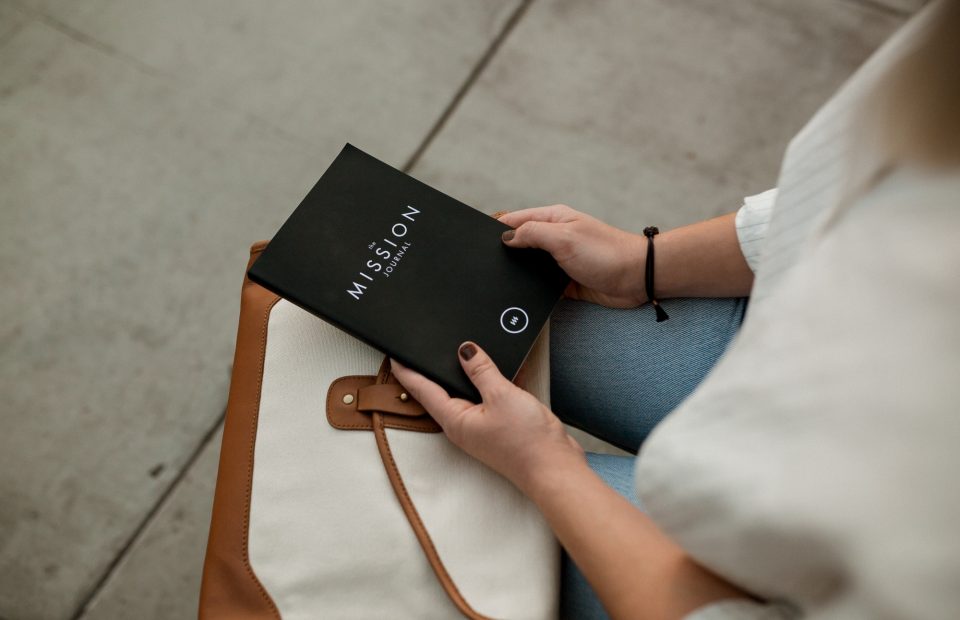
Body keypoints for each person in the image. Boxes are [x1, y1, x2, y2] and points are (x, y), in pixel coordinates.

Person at [391, 1, 960, 617]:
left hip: (769, 582)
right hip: (800, 345)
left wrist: (547, 468)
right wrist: (644, 264)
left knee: (413, 528)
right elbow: (844, 185)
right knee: (424, 317)